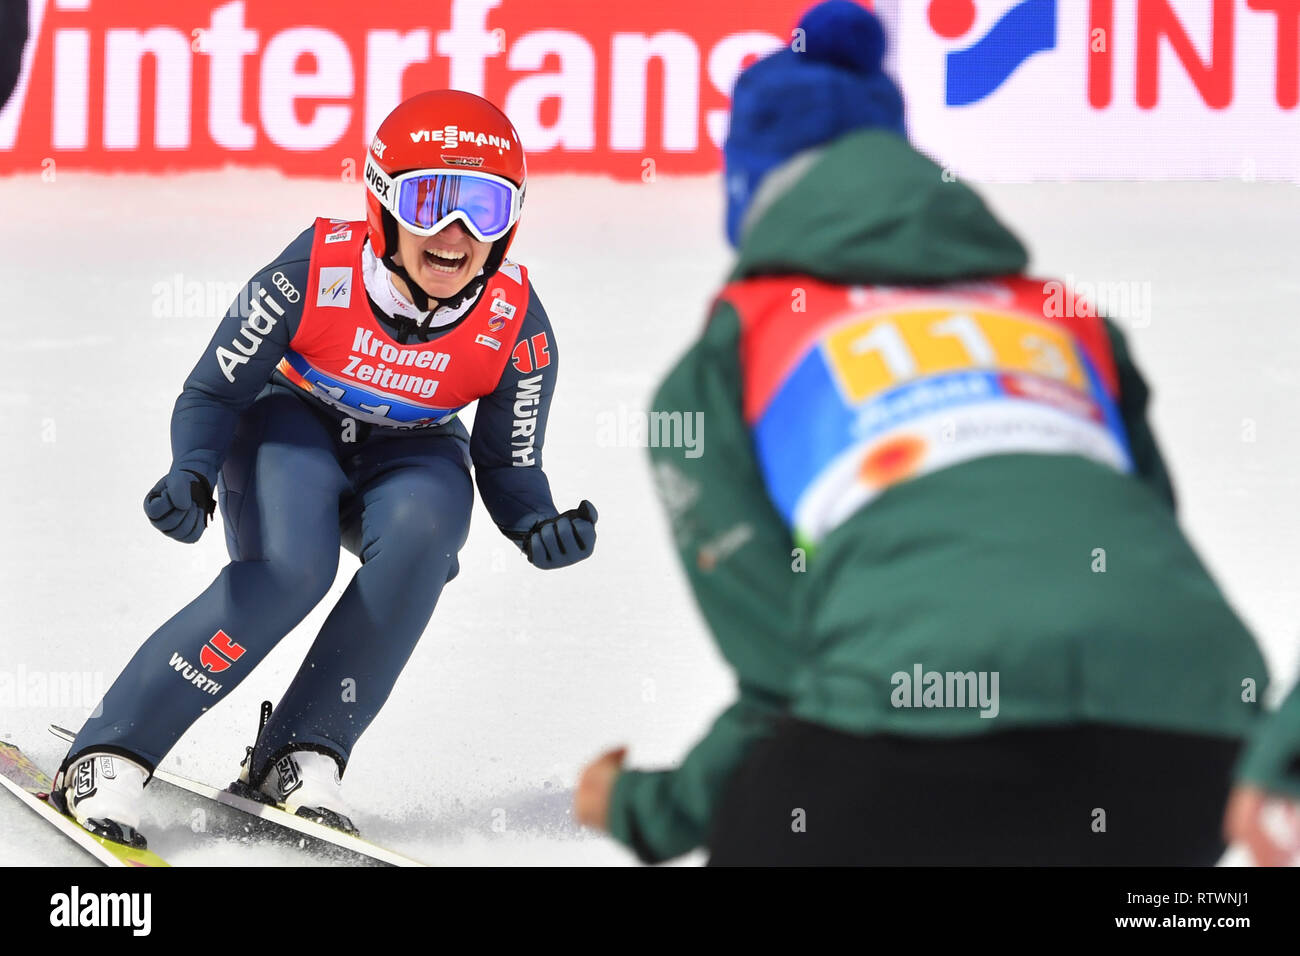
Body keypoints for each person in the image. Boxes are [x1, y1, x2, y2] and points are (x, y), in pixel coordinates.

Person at [575, 1, 1287, 865]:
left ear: (747, 191)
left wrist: (646, 809)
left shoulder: (735, 352)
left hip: (905, 744)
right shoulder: (1069, 322)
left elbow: (786, 681)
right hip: (1196, 743)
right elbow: (1140, 549)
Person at [53, 90, 597, 847]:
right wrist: (193, 469)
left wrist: (536, 521)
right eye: (432, 199)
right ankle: (110, 752)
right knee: (290, 569)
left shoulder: (516, 322)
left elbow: (507, 460)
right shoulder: (315, 269)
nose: (457, 232)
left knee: (425, 537)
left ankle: (302, 750)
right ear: (381, 205)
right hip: (288, 423)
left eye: (486, 206)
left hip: (412, 450)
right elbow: (215, 388)